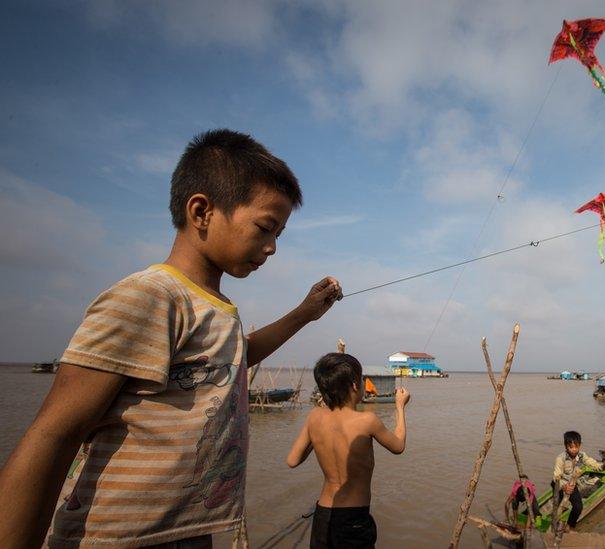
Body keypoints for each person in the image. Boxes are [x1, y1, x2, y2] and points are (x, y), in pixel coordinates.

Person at [0, 129, 343, 548]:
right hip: (120, 536)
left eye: (279, 235)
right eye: (265, 228)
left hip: (185, 531)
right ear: (201, 212)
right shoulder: (150, 297)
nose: (272, 247)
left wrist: (306, 313)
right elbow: (54, 433)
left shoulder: (216, 307)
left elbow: (235, 359)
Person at [287, 353, 409, 549]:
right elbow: (398, 446)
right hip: (354, 518)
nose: (363, 384)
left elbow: (292, 460)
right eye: (362, 380)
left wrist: (316, 434)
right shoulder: (367, 420)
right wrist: (400, 407)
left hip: (323, 515)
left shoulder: (314, 418)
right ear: (354, 385)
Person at [551, 431, 605, 532]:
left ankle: (569, 526)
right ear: (566, 446)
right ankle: (555, 525)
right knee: (558, 507)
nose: (574, 450)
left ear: (580, 445)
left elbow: (594, 465)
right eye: (571, 447)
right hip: (559, 484)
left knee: (578, 507)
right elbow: (556, 478)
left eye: (576, 447)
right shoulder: (560, 458)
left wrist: (604, 466)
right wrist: (564, 487)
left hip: (572, 484)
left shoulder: (582, 455)